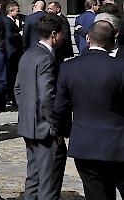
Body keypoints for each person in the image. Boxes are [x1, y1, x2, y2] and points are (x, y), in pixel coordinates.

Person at [55, 21, 124, 200]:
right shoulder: (120, 67)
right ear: (113, 40)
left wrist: (62, 132)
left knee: (96, 194)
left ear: (87, 39)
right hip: (117, 143)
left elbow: (61, 107)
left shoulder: (69, 67)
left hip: (85, 144)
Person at [14, 13, 67, 200]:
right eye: (62, 34)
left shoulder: (27, 54)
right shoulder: (46, 59)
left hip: (29, 127)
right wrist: (55, 127)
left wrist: (28, 113)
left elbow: (18, 89)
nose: (64, 38)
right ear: (54, 34)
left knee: (34, 180)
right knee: (49, 184)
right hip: (45, 131)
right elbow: (47, 97)